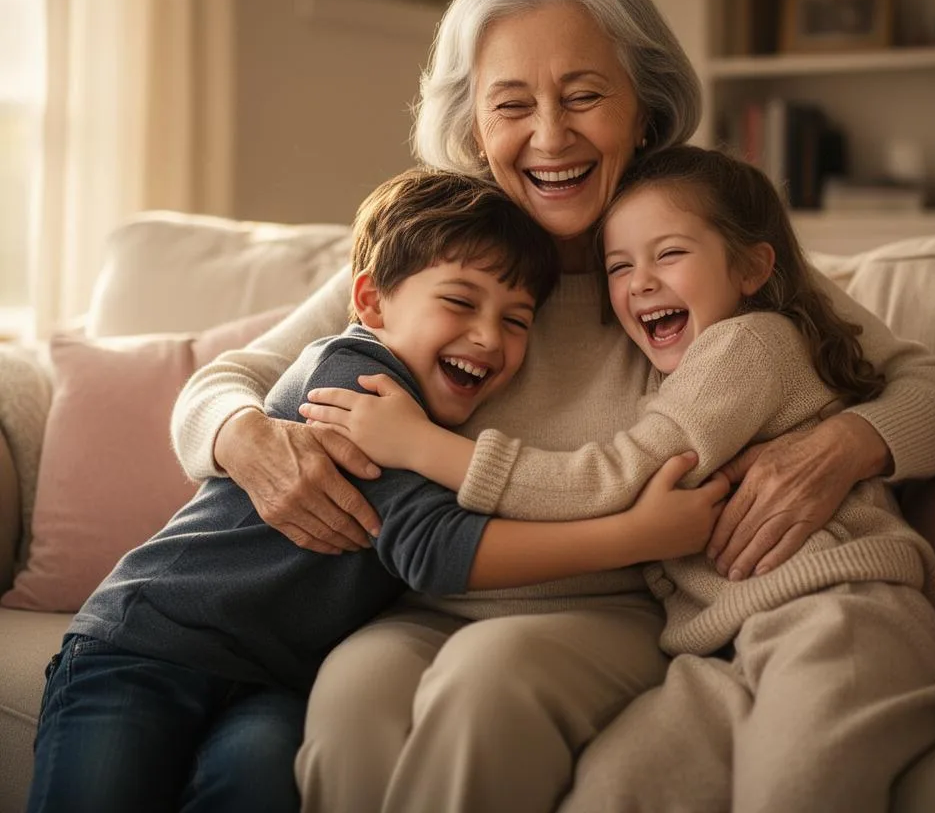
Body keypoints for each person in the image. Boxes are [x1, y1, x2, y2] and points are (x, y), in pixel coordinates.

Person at [171, 0, 935, 813]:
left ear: (645, 109)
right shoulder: (438, 255)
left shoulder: (688, 250)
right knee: (349, 700)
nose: (550, 136)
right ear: (474, 127)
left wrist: (847, 444)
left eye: (585, 96)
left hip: (609, 606)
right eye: (512, 105)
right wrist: (245, 440)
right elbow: (223, 381)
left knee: (486, 686)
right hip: (430, 594)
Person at [27, 168, 729, 813]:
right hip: (150, 642)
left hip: (272, 681)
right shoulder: (357, 380)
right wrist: (634, 534)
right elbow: (431, 550)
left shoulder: (426, 407)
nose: (488, 337)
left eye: (517, 321)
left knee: (257, 785)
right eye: (460, 303)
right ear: (370, 302)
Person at [324, 146, 935, 812]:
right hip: (716, 642)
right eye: (618, 267)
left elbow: (619, 476)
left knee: (798, 789)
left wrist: (428, 449)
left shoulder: (747, 341)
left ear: (753, 267)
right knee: (611, 792)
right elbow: (274, 371)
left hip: (833, 609)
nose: (640, 282)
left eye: (668, 255)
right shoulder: (443, 238)